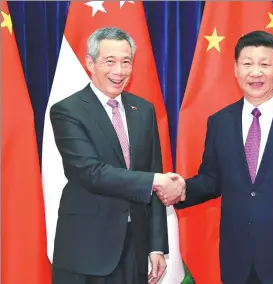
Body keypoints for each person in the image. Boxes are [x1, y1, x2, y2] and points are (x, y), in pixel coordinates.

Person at [157, 31, 273, 284]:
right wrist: (181, 190)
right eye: (247, 64)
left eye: (264, 64)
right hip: (239, 260)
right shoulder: (220, 121)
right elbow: (212, 179)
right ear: (235, 69)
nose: (255, 73)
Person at [50, 27, 183, 284]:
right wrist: (155, 180)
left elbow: (153, 169)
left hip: (134, 247)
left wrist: (156, 245)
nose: (119, 71)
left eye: (126, 62)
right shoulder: (68, 111)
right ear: (90, 63)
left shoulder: (143, 110)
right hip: (86, 249)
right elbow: (90, 172)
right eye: (109, 61)